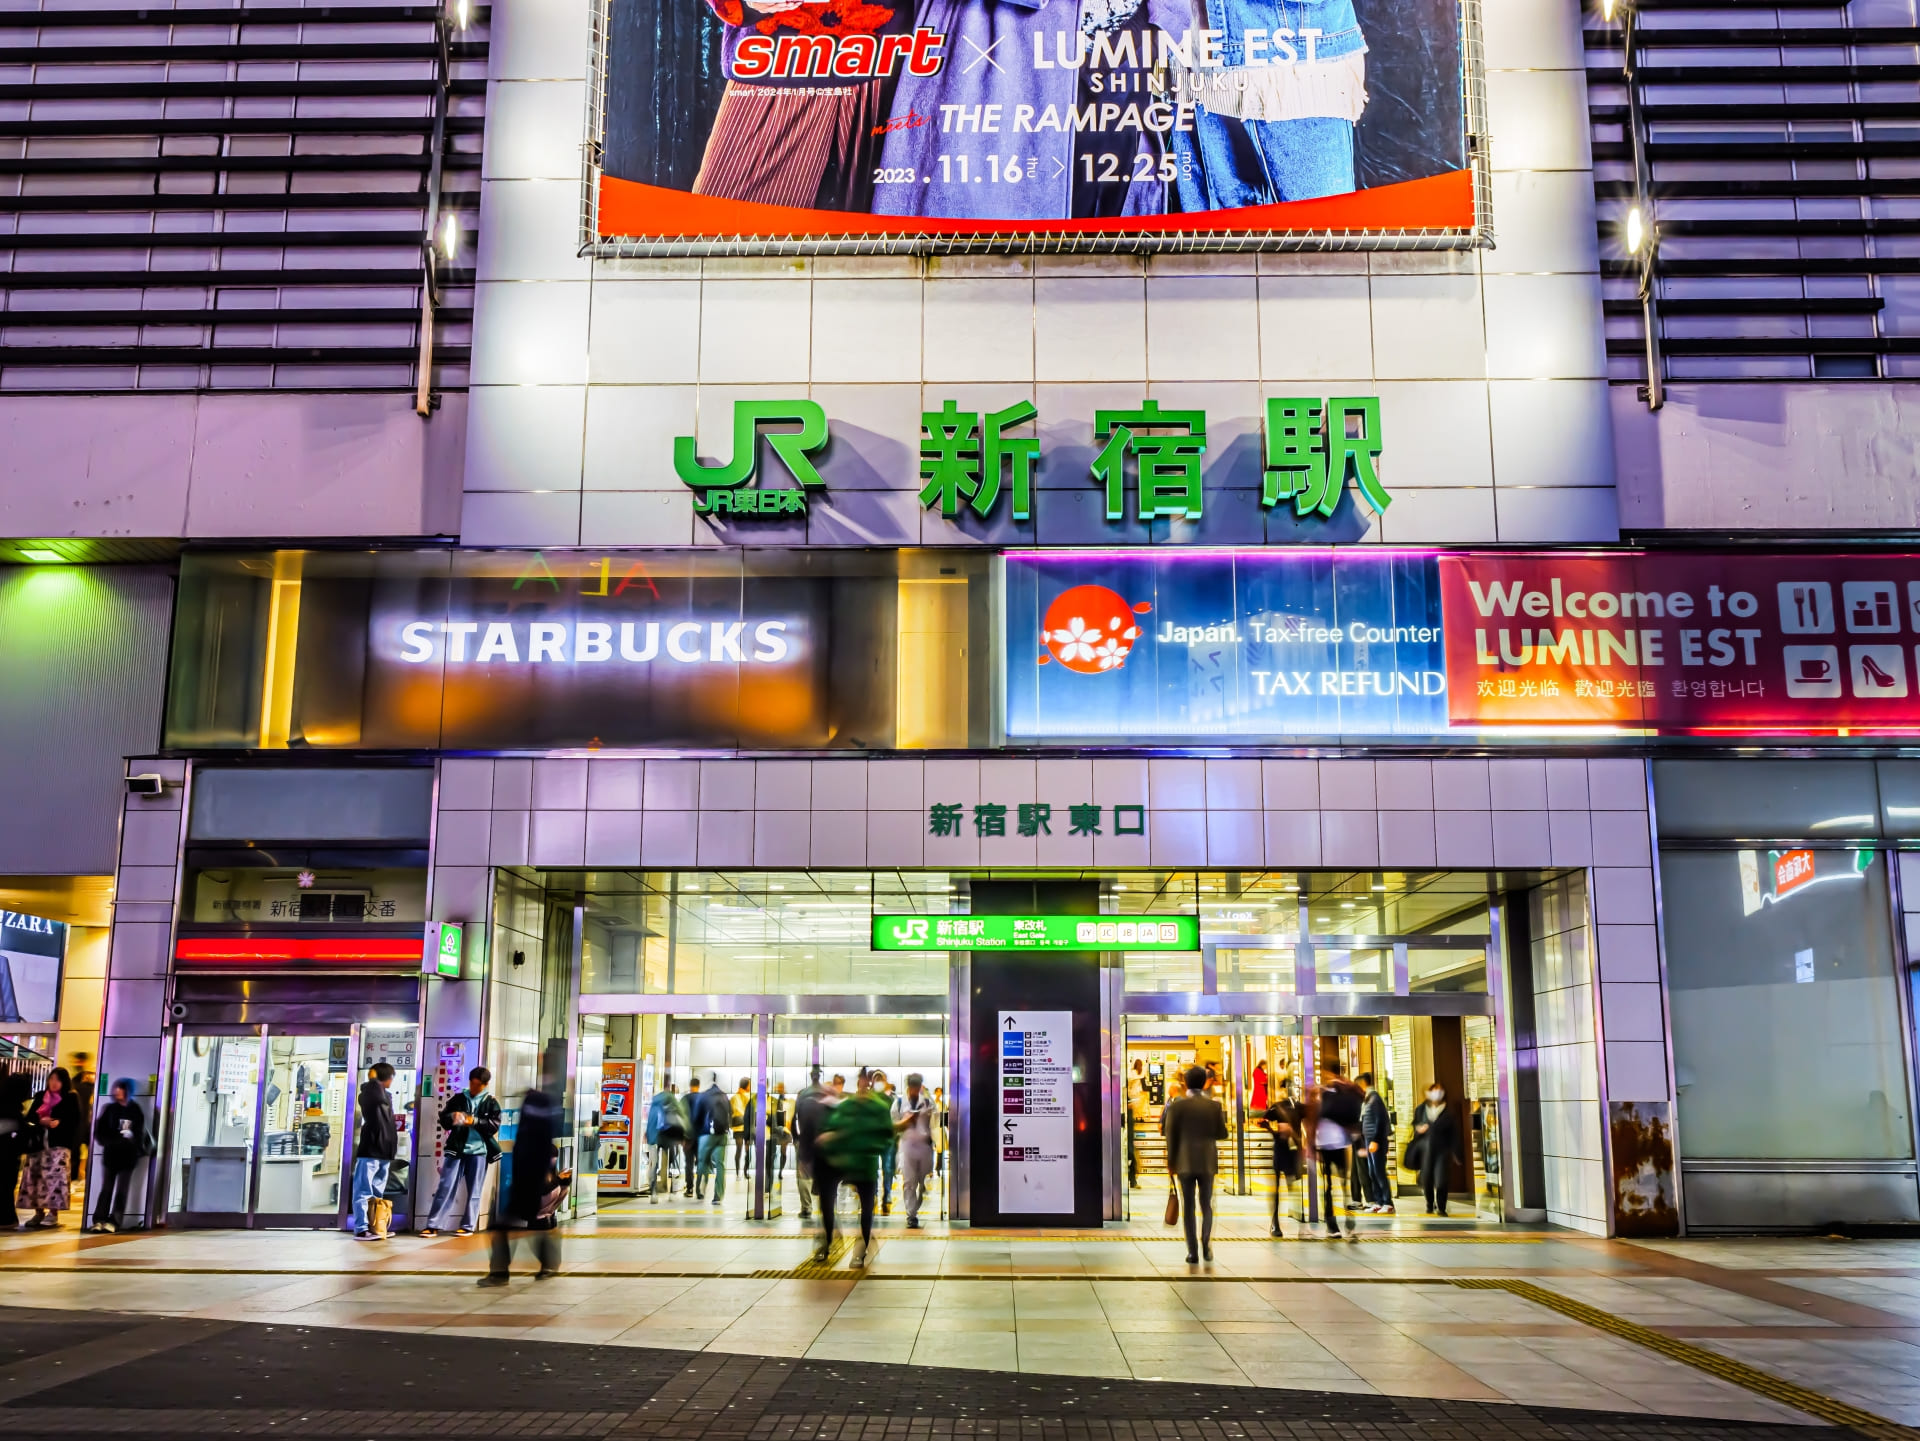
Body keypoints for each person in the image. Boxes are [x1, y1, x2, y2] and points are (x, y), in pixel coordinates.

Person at [480, 1081, 560, 1284]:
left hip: (529, 1183)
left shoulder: (533, 1128)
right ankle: (548, 1263)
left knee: (502, 1226)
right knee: (533, 1225)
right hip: (528, 1182)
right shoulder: (538, 1128)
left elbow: (534, 1154)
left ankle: (499, 1273)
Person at [815, 1068, 894, 1266]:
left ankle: (861, 1247)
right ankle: (829, 1240)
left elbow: (886, 1135)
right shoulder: (849, 1105)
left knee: (867, 1206)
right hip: (845, 1161)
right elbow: (833, 1127)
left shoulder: (878, 1107)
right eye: (863, 1081)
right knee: (831, 1198)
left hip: (863, 1162)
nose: (865, 1085)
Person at [419, 1067, 502, 1237]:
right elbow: (444, 1119)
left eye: (478, 1085)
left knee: (474, 1190)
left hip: (479, 1150)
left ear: (485, 1085)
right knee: (445, 1186)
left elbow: (494, 1125)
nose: (474, 1087)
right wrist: (452, 1117)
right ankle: (433, 1224)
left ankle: (468, 1225)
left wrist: (475, 1121)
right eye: (472, 1083)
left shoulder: (491, 1102)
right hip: (456, 1148)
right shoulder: (458, 1098)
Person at [1162, 1064, 1227, 1264]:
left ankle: (1192, 1252)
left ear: (1185, 1083)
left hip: (1184, 1162)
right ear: (1204, 1082)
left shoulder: (1177, 1106)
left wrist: (1171, 1162)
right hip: (1207, 1162)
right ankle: (1206, 1245)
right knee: (1206, 1204)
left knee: (1188, 1206)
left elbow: (1170, 1136)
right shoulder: (1214, 1106)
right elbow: (1222, 1134)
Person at [18, 1066, 81, 1229]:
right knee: (36, 1178)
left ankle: (53, 1214)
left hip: (59, 1144)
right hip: (38, 1143)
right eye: (51, 1079)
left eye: (57, 1080)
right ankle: (38, 1212)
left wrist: (59, 1123)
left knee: (55, 1179)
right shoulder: (40, 1096)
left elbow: (75, 1121)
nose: (53, 1083)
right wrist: (40, 1122)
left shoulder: (70, 1098)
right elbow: (30, 1118)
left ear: (64, 1082)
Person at [1307, 1059, 1363, 1241]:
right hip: (1339, 1143)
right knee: (1343, 1185)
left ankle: (1333, 1225)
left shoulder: (1322, 1092)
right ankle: (1348, 1224)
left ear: (1327, 1072)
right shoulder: (1347, 1089)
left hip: (1325, 1143)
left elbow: (1311, 1120)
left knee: (1329, 1186)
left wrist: (1310, 1146)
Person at [89, 1078, 147, 1233]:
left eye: (121, 1088)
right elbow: (100, 1131)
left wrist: (131, 1137)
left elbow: (139, 1133)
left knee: (122, 1189)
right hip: (111, 1154)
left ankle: (115, 1221)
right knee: (106, 1188)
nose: (118, 1091)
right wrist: (112, 1139)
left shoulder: (135, 1110)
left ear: (128, 1091)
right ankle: (99, 1219)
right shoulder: (110, 1109)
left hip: (128, 1156)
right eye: (117, 1088)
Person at [351, 1062, 397, 1240]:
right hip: (369, 1150)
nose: (392, 1081)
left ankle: (377, 1225)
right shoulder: (369, 1093)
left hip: (384, 1151)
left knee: (377, 1193)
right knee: (363, 1191)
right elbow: (375, 1095)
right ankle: (361, 1228)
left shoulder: (386, 1096)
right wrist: (373, 1078)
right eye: (391, 1077)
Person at [1411, 1082, 1463, 1217]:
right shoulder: (1421, 1109)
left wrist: (1457, 1153)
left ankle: (1441, 1207)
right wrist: (1419, 1129)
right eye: (1434, 1090)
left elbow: (1454, 1134)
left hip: (1442, 1151)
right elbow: (1415, 1127)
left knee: (1441, 1180)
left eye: (1440, 1091)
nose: (1437, 1093)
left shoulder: (1448, 1111)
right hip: (1426, 1151)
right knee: (1427, 1179)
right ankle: (1429, 1203)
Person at [1260, 1077, 1302, 1237]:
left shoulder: (1297, 1107)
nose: (1288, 1090)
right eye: (1286, 1087)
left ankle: (1291, 1218)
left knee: (1292, 1186)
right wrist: (1272, 1130)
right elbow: (1263, 1120)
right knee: (1281, 1188)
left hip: (1290, 1149)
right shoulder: (1278, 1107)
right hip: (1283, 1148)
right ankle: (1275, 1222)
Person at [792, 1068, 836, 1221]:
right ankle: (825, 1208)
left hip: (805, 1141)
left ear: (811, 1077)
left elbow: (794, 1119)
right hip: (823, 1141)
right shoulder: (827, 1093)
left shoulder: (802, 1094)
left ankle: (806, 1208)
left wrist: (796, 1138)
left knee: (802, 1176)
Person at [895, 1072, 936, 1229]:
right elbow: (893, 1123)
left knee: (921, 1180)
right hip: (907, 1146)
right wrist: (905, 1122)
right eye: (913, 1087)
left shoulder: (927, 1101)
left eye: (917, 1087)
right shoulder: (899, 1103)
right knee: (909, 1182)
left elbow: (936, 1117)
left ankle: (916, 1202)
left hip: (924, 1147)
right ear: (908, 1087)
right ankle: (911, 1215)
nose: (914, 1090)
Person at [1357, 1072, 1394, 1215]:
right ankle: (1378, 1201)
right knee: (1372, 1172)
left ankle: (1387, 1202)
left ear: (1364, 1084)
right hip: (1369, 1140)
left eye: (1358, 1085)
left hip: (1375, 1141)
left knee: (1379, 1172)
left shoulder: (1375, 1098)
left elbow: (1380, 1120)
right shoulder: (1368, 1099)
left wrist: (1375, 1140)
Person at [645, 1081, 689, 1201]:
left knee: (654, 1164)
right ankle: (672, 1193)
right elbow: (682, 1116)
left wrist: (648, 1134)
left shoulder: (655, 1100)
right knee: (673, 1163)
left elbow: (650, 1119)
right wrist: (684, 1135)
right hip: (668, 1135)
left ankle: (653, 1193)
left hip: (654, 1135)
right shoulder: (672, 1099)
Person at [696, 1071, 732, 1207]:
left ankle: (700, 1189)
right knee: (720, 1165)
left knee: (702, 1161)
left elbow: (697, 1116)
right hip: (722, 1134)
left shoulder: (704, 1096)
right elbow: (731, 1114)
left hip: (706, 1134)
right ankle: (718, 1196)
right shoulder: (724, 1096)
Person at [0, 1072, 29, 1230]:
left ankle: (7, 1218)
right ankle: (7, 1218)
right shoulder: (14, 1109)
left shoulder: (4, 1102)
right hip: (9, 1153)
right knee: (7, 1185)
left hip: (6, 1151)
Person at [872, 1071, 899, 1214]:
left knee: (888, 1169)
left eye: (880, 1079)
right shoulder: (869, 1098)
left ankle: (886, 1197)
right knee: (874, 1169)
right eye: (876, 1079)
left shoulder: (894, 1099)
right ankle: (874, 1195)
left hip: (888, 1140)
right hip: (874, 1140)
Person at [680, 1076, 702, 1196]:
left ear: (690, 1086)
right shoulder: (703, 1099)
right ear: (699, 1086)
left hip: (687, 1137)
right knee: (701, 1162)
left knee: (689, 1163)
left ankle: (689, 1189)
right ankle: (699, 1189)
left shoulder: (684, 1099)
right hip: (701, 1137)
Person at [768, 1082, 791, 1183]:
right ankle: (776, 1172)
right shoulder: (775, 1101)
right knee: (777, 1153)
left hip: (783, 1129)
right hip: (777, 1129)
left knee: (783, 1152)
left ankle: (780, 1171)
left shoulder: (784, 1101)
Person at [732, 1077, 753, 1179]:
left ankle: (738, 1173)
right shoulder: (749, 1097)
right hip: (745, 1127)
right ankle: (745, 1172)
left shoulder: (734, 1097)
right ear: (747, 1085)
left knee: (739, 1150)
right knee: (746, 1151)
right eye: (750, 1084)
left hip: (738, 1128)